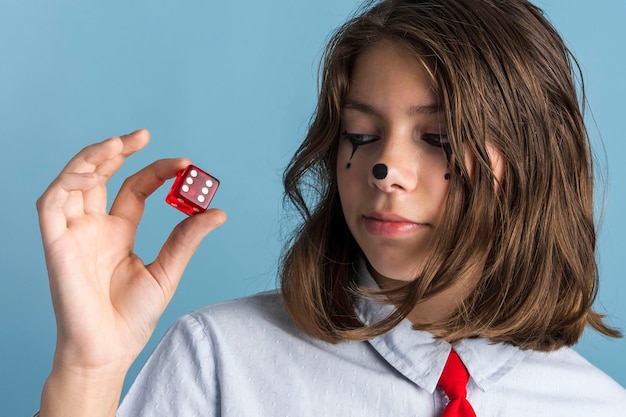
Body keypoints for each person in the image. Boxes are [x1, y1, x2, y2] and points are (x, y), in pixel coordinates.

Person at [36, 0, 626, 416]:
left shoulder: (600, 406)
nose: (384, 168)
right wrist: (86, 373)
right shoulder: (219, 361)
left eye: (439, 139)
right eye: (361, 134)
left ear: (535, 162)